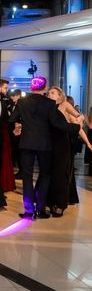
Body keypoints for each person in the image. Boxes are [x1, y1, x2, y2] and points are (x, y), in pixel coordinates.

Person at [9, 77, 80, 219]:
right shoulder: (50, 103)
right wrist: (75, 127)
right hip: (44, 144)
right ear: (45, 88)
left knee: (27, 177)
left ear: (31, 87)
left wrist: (19, 126)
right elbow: (56, 124)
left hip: (27, 143)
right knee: (45, 175)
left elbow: (12, 119)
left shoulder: (22, 102)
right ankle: (41, 210)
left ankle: (29, 210)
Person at [46, 87, 92, 216]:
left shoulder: (64, 105)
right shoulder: (47, 107)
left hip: (62, 144)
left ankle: (60, 205)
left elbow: (79, 117)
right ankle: (51, 202)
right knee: (49, 174)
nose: (50, 94)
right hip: (49, 143)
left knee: (60, 174)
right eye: (49, 93)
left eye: (53, 92)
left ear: (60, 95)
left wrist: (88, 142)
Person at [0, 79, 15, 191]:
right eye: (5, 87)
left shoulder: (4, 102)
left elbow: (7, 119)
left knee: (0, 160)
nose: (7, 89)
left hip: (1, 136)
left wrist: (16, 125)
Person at [8, 89, 23, 179]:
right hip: (13, 132)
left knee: (20, 153)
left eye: (13, 96)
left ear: (18, 96)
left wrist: (20, 125)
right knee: (16, 152)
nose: (11, 97)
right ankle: (19, 170)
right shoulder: (12, 105)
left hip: (21, 132)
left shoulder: (22, 106)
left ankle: (22, 172)